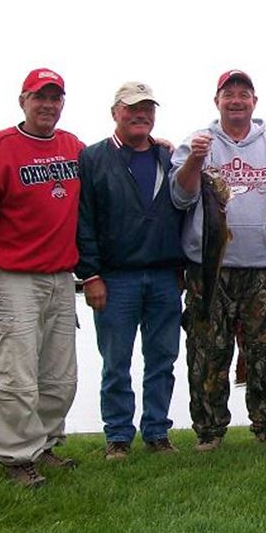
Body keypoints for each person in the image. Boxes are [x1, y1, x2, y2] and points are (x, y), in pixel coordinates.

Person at [0, 68, 82, 487]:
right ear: (23, 100)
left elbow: (106, 173)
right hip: (16, 279)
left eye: (55, 98)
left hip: (62, 278)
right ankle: (13, 457)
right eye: (39, 97)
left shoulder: (73, 147)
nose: (47, 105)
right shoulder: (1, 146)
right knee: (16, 374)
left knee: (59, 376)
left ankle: (42, 447)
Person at [170, 69, 266, 449]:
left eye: (243, 94)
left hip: (264, 268)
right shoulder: (197, 142)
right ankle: (209, 432)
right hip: (208, 267)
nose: (236, 100)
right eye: (228, 94)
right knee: (207, 350)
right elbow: (180, 198)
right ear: (217, 101)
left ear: (254, 102)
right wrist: (194, 163)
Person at [76, 82, 185, 460]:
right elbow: (83, 220)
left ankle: (157, 432)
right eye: (131, 108)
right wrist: (90, 275)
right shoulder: (91, 158)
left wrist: (184, 268)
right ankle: (118, 436)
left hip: (164, 277)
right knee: (116, 363)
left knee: (162, 360)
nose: (140, 115)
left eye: (147, 109)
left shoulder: (169, 157)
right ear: (115, 113)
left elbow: (187, 211)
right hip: (114, 278)